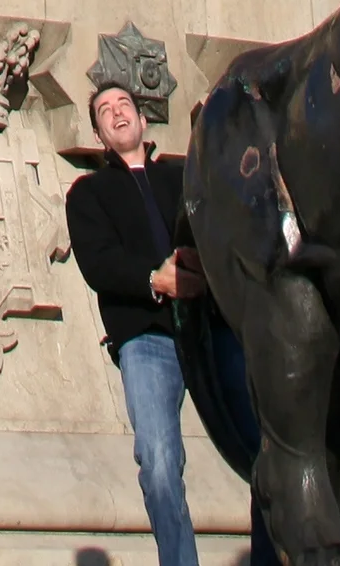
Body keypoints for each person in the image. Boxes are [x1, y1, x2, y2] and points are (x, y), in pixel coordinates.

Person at [66, 76, 206, 566]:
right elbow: (97, 263)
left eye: (125, 104)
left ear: (144, 121)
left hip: (210, 328)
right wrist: (155, 279)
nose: (118, 113)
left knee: (266, 449)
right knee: (161, 463)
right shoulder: (89, 193)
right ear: (100, 135)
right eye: (105, 111)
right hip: (146, 340)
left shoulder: (185, 175)